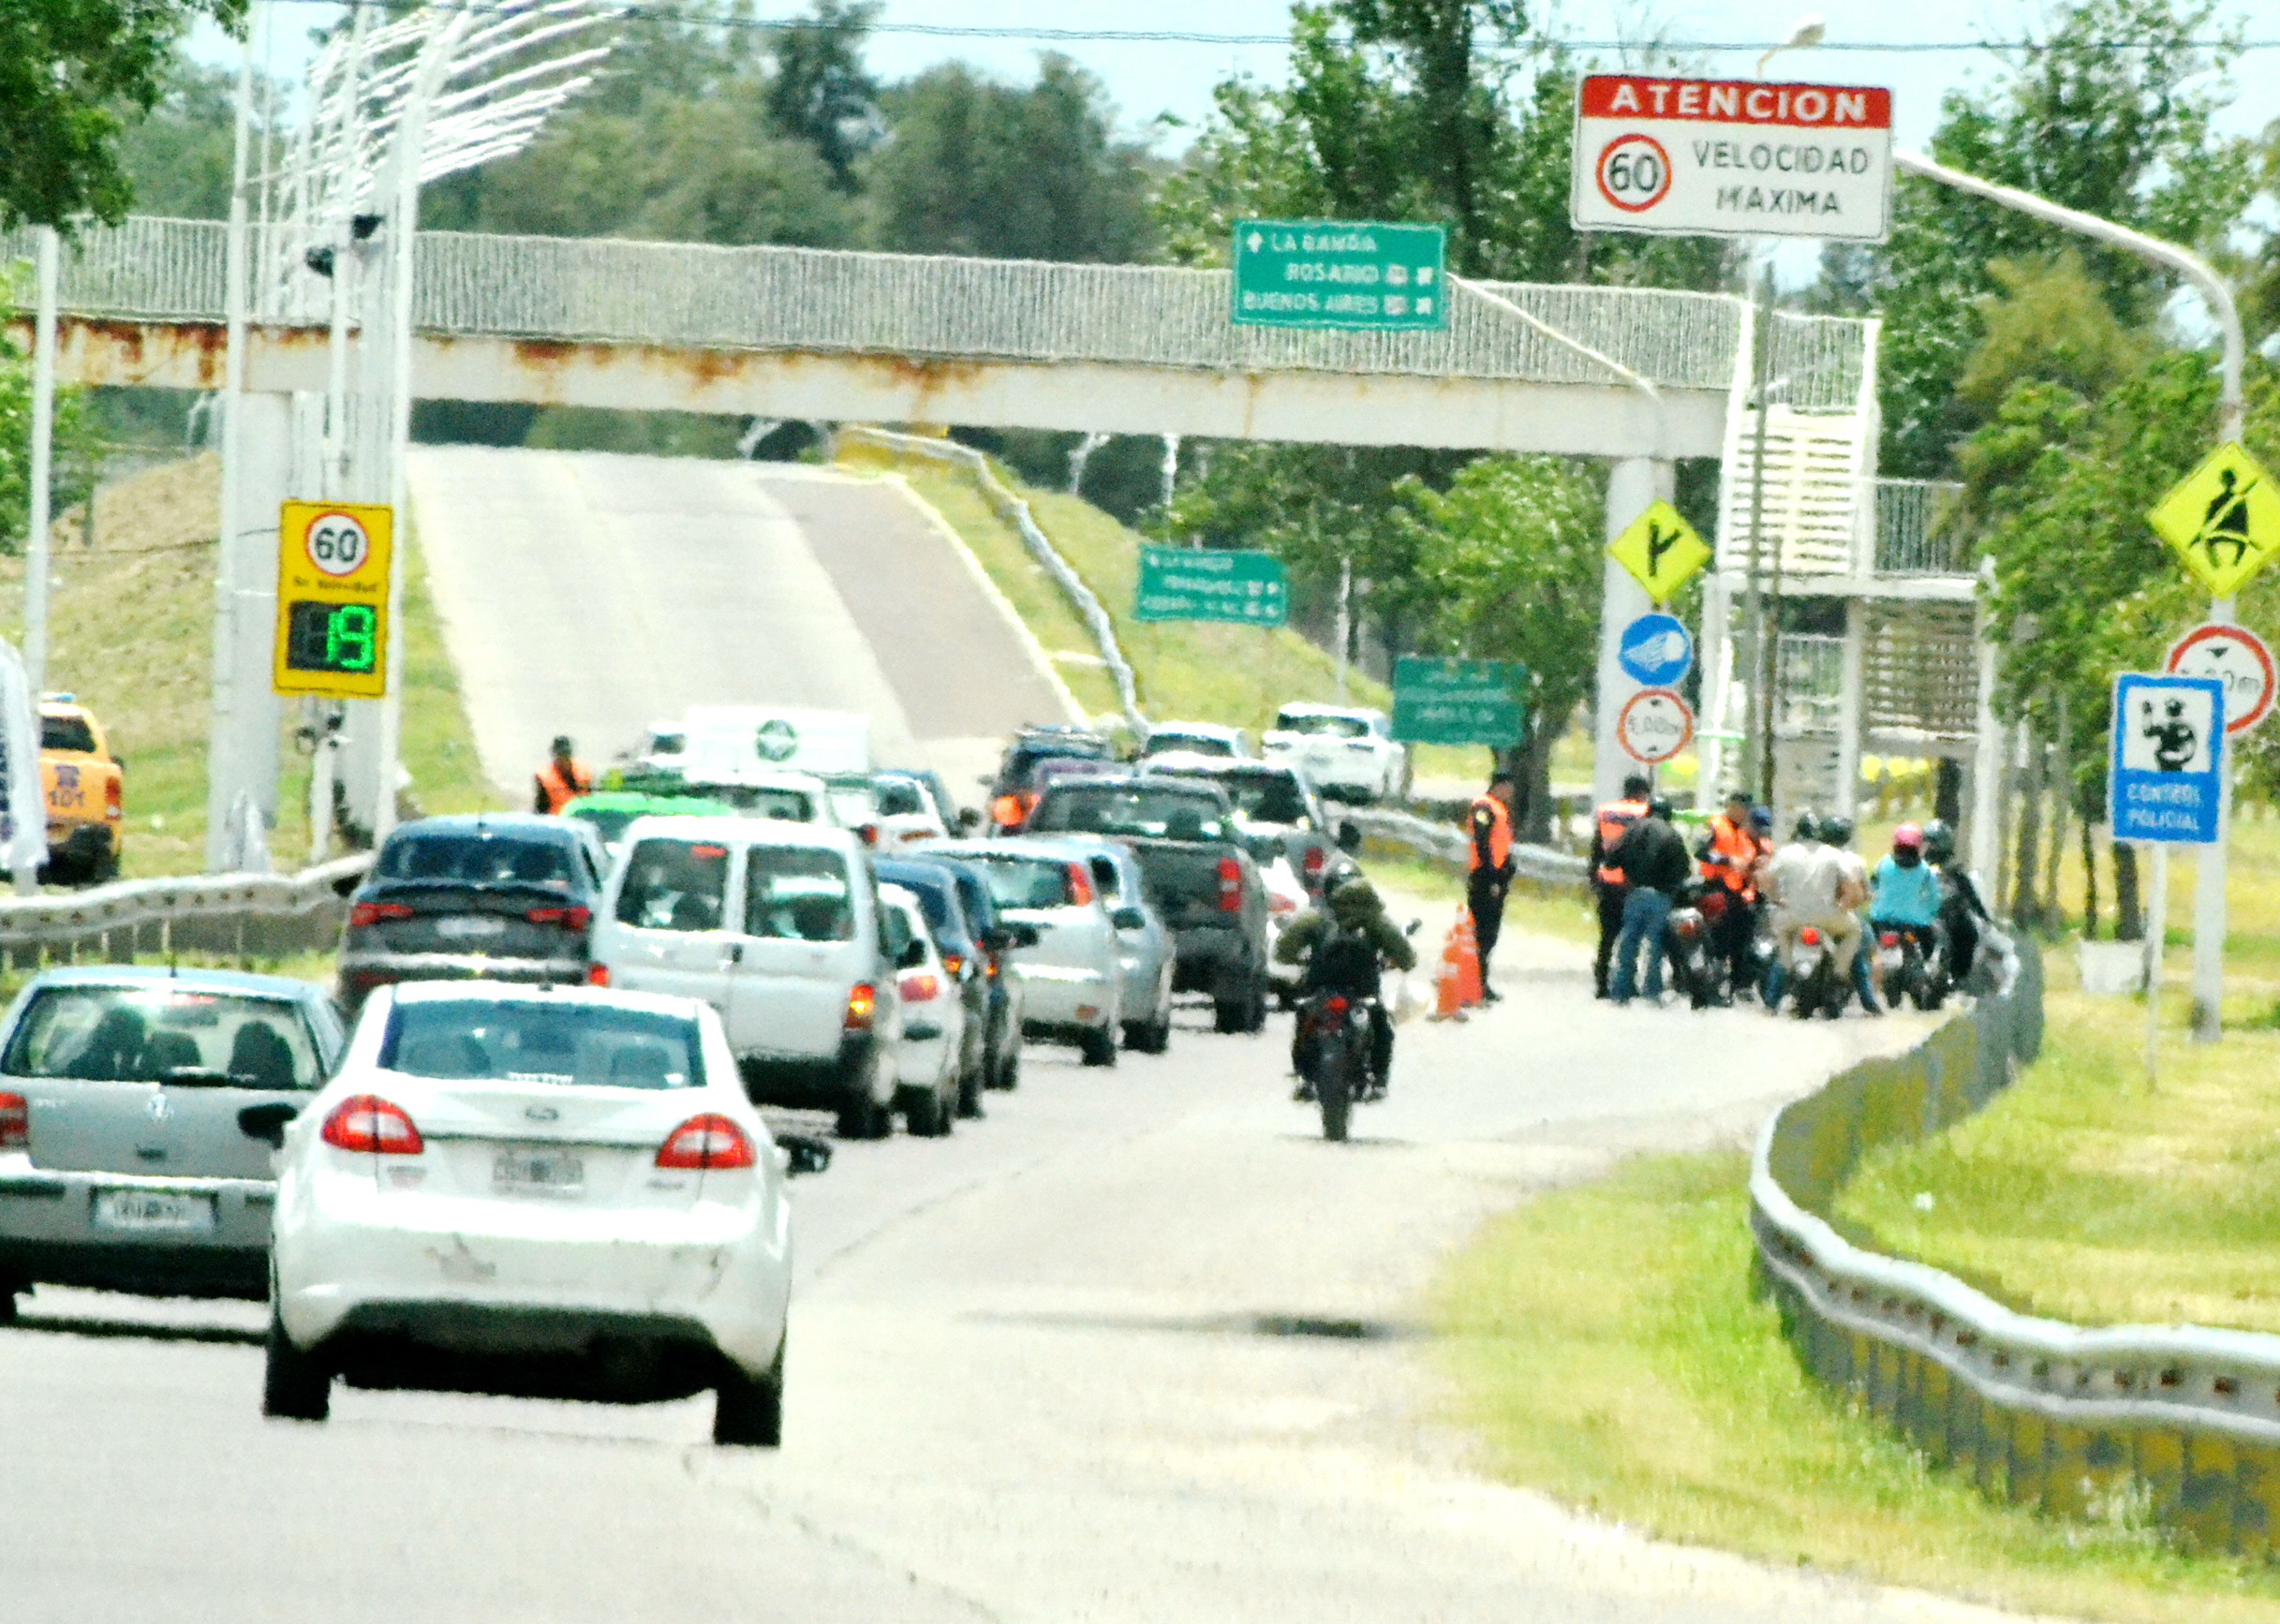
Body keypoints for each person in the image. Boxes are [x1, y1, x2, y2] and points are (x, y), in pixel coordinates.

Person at [1278, 874, 1416, 1100]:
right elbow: (1406, 957)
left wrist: (1298, 960)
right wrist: (1397, 962)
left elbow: (1284, 950)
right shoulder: (1375, 921)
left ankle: (1303, 1077)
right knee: (1383, 1027)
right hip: (1362, 991)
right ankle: (1379, 1081)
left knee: (1304, 1021)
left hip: (1320, 988)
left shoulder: (1316, 918)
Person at [1758, 811, 1860, 1010]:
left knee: (1781, 942)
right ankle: (1839, 973)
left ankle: (1780, 983)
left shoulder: (1786, 853)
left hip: (1792, 916)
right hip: (1828, 916)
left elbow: (1765, 880)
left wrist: (1778, 899)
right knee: (1854, 930)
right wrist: (1845, 904)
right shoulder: (1833, 854)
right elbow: (1853, 884)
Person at [1606, 795, 1690, 1005]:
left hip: (1634, 893)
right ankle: (1652, 990)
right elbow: (1683, 869)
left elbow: (1611, 860)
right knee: (1656, 946)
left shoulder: (1631, 830)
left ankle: (1621, 989)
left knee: (1629, 942)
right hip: (1661, 896)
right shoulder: (1672, 835)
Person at [1695, 790, 1768, 997]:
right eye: (1743, 809)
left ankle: (1738, 984)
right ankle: (1710, 983)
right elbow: (1700, 850)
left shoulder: (1745, 834)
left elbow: (1750, 860)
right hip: (1715, 889)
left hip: (1738, 893)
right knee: (1717, 940)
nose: (1745, 814)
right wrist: (1726, 861)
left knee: (1742, 938)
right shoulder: (1716, 825)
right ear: (1733, 807)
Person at [1588, 774, 1651, 999]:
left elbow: (1597, 847)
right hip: (1632, 882)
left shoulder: (1606, 811)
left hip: (1607, 880)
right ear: (1643, 792)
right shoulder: (1645, 813)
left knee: (1607, 936)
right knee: (1632, 935)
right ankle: (1626, 983)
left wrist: (1593, 878)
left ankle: (1601, 981)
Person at [1818, 816, 1880, 1015]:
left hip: (1810, 912)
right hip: (1844, 914)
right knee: (1864, 953)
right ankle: (1869, 1000)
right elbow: (1863, 892)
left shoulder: (1813, 857)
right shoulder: (1855, 861)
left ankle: (1771, 1000)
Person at [1869, 822, 1945, 982]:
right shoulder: (1925, 870)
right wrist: (1930, 914)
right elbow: (1934, 898)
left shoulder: (1884, 863)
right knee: (1931, 943)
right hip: (1914, 923)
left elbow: (1873, 886)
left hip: (1880, 920)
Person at [1465, 772, 1518, 1003]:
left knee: (1489, 934)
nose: (1510, 793)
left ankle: (1481, 982)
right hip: (1485, 879)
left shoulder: (1497, 808)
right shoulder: (1484, 808)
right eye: (1508, 788)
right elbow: (1483, 844)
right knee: (1483, 933)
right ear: (1499, 786)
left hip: (1495, 877)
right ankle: (1476, 984)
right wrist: (1493, 878)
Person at [1922, 819, 1991, 981]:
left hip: (1933, 917)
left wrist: (1982, 914)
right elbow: (1970, 894)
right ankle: (1959, 977)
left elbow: (1969, 892)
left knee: (1969, 933)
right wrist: (1982, 915)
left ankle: (1957, 976)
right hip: (1934, 918)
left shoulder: (1919, 867)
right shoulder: (1929, 868)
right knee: (1970, 934)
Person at [533, 734, 594, 815]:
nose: (564, 759)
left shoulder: (585, 773)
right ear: (554, 755)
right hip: (557, 822)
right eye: (560, 755)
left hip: (581, 821)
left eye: (566, 754)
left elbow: (592, 800)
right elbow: (540, 810)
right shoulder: (544, 777)